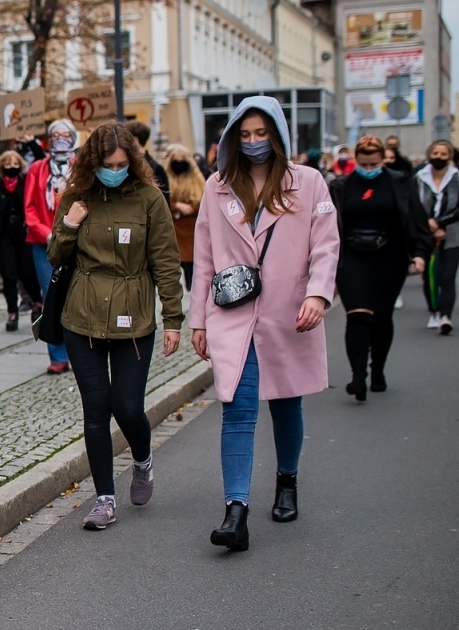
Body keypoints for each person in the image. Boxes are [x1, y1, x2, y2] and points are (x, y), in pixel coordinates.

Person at [189, 96, 340, 552]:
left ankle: (287, 480)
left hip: (288, 311)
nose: (253, 142)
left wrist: (317, 293)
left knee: (286, 402)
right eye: (245, 135)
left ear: (277, 135)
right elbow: (203, 257)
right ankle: (235, 511)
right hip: (233, 312)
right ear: (233, 138)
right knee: (236, 407)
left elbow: (326, 244)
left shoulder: (308, 182)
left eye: (261, 133)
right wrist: (198, 319)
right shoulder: (217, 187)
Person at [48, 121, 183, 531]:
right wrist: (71, 223)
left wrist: (173, 319)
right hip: (82, 318)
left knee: (127, 406)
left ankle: (142, 460)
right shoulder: (76, 196)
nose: (115, 171)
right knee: (96, 409)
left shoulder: (149, 199)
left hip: (133, 319)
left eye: (122, 164)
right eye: (108, 165)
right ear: (93, 162)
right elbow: (55, 254)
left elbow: (166, 260)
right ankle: (104, 499)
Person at [330, 135, 431, 399]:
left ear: (383, 160)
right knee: (357, 315)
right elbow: (327, 224)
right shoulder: (340, 186)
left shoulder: (400, 182)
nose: (369, 168)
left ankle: (377, 370)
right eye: (364, 164)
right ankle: (358, 377)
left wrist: (419, 253)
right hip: (351, 257)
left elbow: (417, 221)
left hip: (390, 258)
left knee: (382, 317)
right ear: (356, 161)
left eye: (374, 164)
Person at [24, 119, 77, 373]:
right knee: (51, 296)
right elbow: (29, 208)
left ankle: (80, 352)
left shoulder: (80, 166)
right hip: (43, 243)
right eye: (55, 135)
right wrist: (46, 234)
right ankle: (58, 356)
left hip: (75, 240)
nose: (60, 139)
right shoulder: (37, 168)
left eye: (66, 135)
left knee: (77, 295)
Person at [0, 150, 41, 331]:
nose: (12, 167)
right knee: (8, 274)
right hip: (4, 235)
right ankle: (12, 311)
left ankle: (37, 302)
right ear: (1, 166)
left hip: (24, 234)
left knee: (27, 272)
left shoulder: (26, 184)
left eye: (15, 164)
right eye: (8, 164)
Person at [415, 140, 458, 334]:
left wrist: (440, 223)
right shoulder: (419, 178)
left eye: (443, 154)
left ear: (449, 157)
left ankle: (445, 316)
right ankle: (434, 310)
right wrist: (429, 225)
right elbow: (414, 205)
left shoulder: (456, 178)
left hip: (452, 234)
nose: (438, 157)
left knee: (447, 276)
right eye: (435, 153)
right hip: (425, 235)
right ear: (430, 155)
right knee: (430, 276)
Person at [165, 143, 204, 288]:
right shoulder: (165, 178)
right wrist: (176, 206)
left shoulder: (197, 180)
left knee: (192, 269)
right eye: (176, 159)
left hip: (193, 230)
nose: (179, 162)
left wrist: (190, 208)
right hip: (173, 230)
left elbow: (204, 202)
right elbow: (160, 202)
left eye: (182, 159)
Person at [124, 120, 172, 199]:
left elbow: (164, 201)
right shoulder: (157, 167)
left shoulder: (155, 168)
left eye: (125, 138)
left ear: (135, 140)